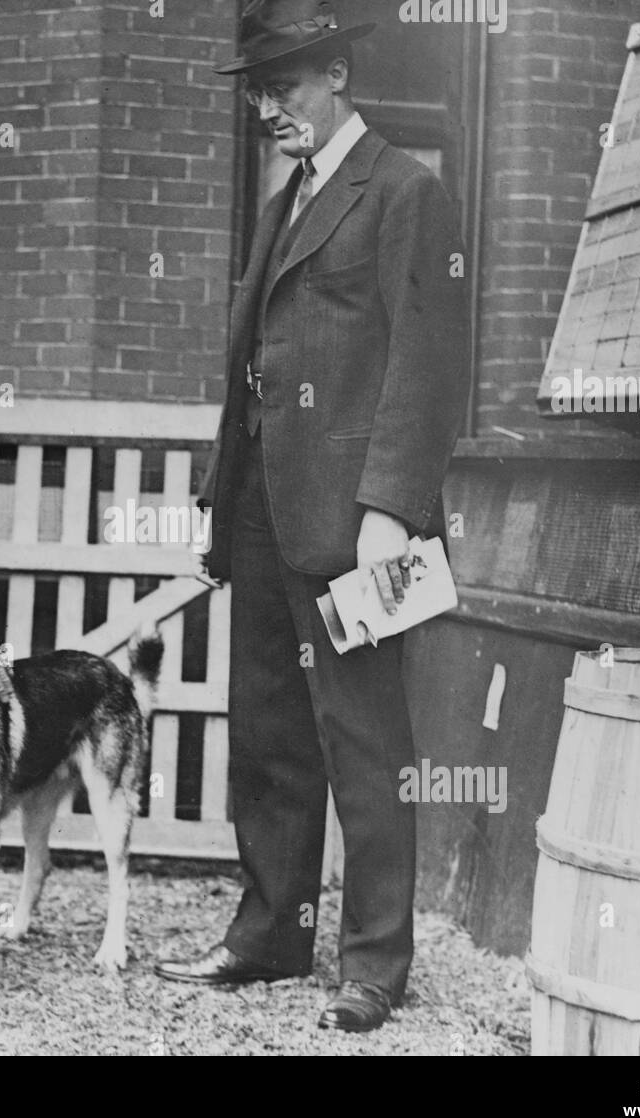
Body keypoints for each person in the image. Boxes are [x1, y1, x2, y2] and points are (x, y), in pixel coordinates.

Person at [155, 0, 471, 1032]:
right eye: (257, 90)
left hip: (351, 521)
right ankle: (270, 931)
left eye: (284, 85)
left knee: (364, 739)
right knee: (270, 732)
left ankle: (374, 961)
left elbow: (425, 367)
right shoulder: (287, 198)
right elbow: (254, 357)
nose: (266, 108)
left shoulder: (406, 192)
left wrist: (389, 511)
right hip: (261, 506)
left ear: (337, 73)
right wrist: (219, 493)